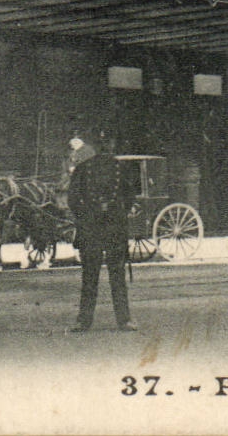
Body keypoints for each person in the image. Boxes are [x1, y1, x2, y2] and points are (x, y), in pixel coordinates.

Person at [68, 133, 137, 332]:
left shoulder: (82, 169)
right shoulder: (121, 169)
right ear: (111, 146)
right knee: (117, 276)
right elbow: (130, 197)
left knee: (89, 276)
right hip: (114, 228)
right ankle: (124, 320)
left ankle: (84, 321)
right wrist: (117, 214)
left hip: (91, 229)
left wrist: (88, 216)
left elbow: (73, 200)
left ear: (95, 148)